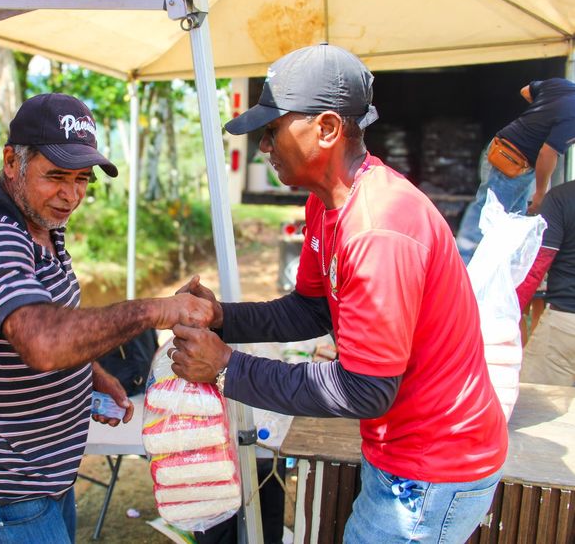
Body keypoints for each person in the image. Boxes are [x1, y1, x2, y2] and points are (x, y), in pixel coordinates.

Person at [168, 44, 508, 543]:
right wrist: (222, 316)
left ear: (326, 128)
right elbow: (310, 309)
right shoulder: (328, 206)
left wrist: (227, 368)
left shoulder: (378, 229)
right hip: (404, 451)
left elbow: (366, 389)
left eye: (272, 130)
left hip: (433, 467)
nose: (264, 147)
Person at [0, 93, 211, 544]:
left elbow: (51, 325)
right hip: (7, 485)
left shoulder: (44, 228)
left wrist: (90, 372)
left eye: (82, 179)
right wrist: (153, 309)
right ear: (12, 162)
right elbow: (43, 342)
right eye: (56, 176)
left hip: (47, 473)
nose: (71, 194)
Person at [456, 78, 575, 263]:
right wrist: (541, 194)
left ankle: (505, 268)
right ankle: (461, 264)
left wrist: (540, 119)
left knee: (513, 218)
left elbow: (526, 91)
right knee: (488, 212)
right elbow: (547, 152)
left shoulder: (561, 86)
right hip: (512, 160)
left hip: (504, 150)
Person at [515, 179, 575, 386]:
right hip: (565, 326)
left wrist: (509, 314)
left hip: (565, 327)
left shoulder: (561, 198)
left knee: (535, 406)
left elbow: (536, 266)